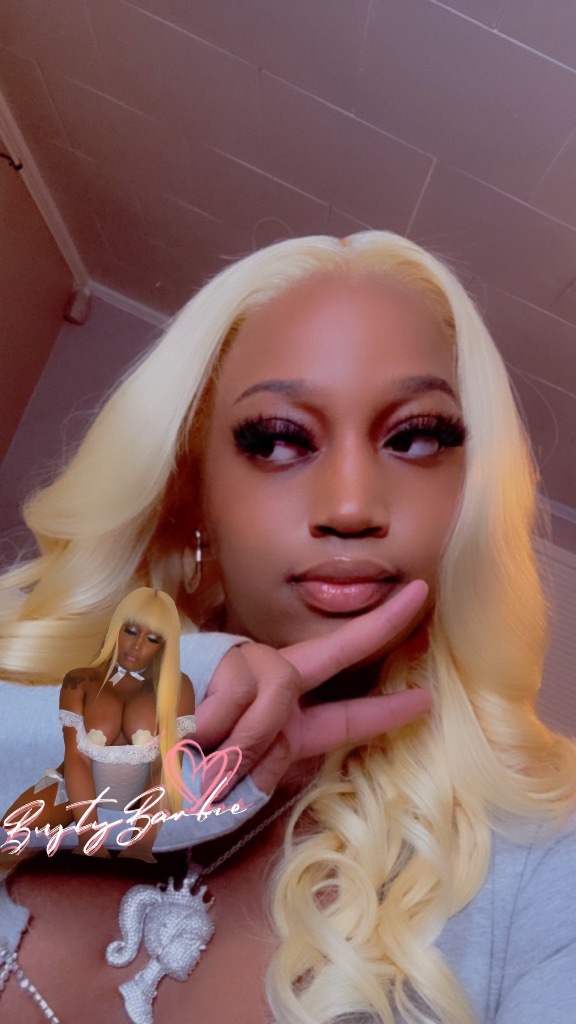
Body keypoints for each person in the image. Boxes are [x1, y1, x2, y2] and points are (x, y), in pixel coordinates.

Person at [0, 231, 575, 1024]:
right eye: (277, 440)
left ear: (471, 493)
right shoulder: (22, 686)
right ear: (194, 488)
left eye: (415, 438)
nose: (351, 506)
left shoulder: (547, 854)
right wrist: (101, 760)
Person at [2, 587, 196, 864]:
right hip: (74, 785)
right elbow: (76, 760)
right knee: (8, 838)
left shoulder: (178, 686)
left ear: (165, 645)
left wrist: (141, 844)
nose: (137, 646)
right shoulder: (79, 681)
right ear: (115, 629)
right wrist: (89, 838)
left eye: (152, 638)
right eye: (130, 631)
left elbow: (166, 767)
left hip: (144, 795)